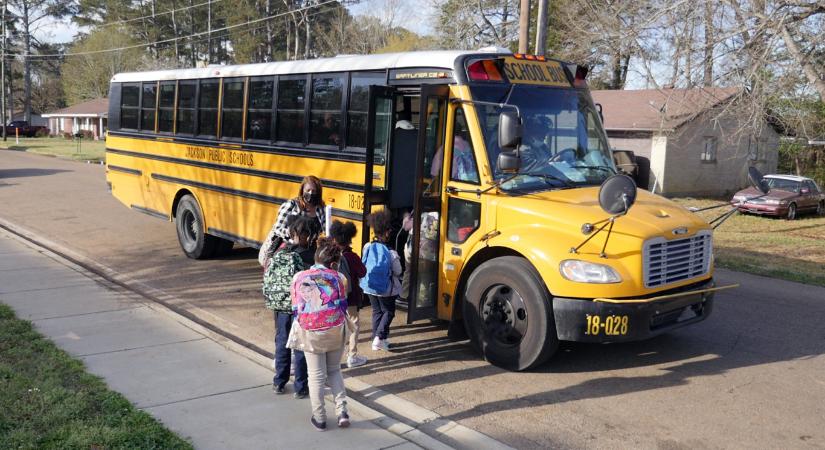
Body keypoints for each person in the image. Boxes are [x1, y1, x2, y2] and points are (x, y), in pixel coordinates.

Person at [287, 237, 350, 431]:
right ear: (333, 263)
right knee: (334, 371)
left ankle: (320, 418)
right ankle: (342, 412)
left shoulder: (299, 277)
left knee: (315, 376)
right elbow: (343, 304)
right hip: (335, 330)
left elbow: (295, 308)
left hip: (311, 332)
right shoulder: (339, 278)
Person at [262, 215, 320, 398]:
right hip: (300, 310)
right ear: (307, 235)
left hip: (280, 307)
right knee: (300, 346)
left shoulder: (281, 251)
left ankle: (279, 382)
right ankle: (301, 387)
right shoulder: (309, 255)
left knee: (282, 343)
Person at [258, 175, 327, 268]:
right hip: (290, 247)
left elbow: (325, 230)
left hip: (310, 249)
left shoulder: (321, 208)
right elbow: (278, 229)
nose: (311, 193)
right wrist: (293, 234)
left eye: (314, 191)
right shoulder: (291, 205)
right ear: (302, 190)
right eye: (308, 190)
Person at [360, 210, 402, 352]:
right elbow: (398, 271)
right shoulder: (391, 253)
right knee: (389, 312)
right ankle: (380, 336)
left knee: (377, 311)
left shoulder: (368, 246)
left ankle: (376, 340)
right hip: (385, 289)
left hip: (369, 286)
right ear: (386, 233)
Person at [329, 220, 368, 368]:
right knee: (353, 326)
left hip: (333, 298)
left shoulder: (330, 255)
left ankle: (334, 358)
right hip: (350, 298)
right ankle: (352, 356)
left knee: (337, 327)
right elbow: (362, 272)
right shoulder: (352, 257)